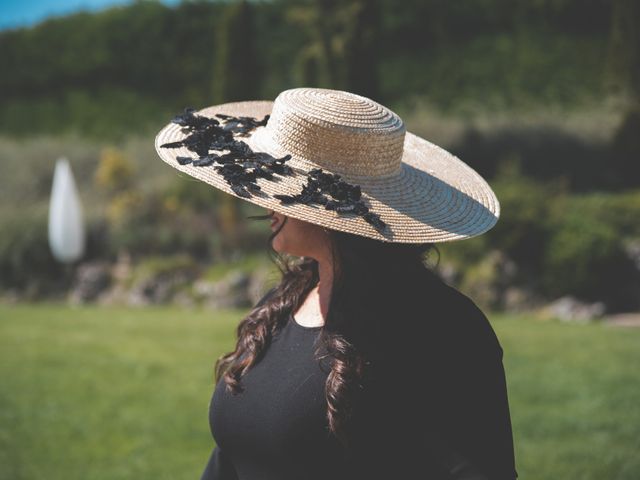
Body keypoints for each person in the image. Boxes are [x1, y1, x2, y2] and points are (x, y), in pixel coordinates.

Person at [154, 87, 518, 479]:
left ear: (328, 208)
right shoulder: (283, 303)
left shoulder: (441, 328)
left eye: (280, 182)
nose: (265, 201)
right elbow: (234, 455)